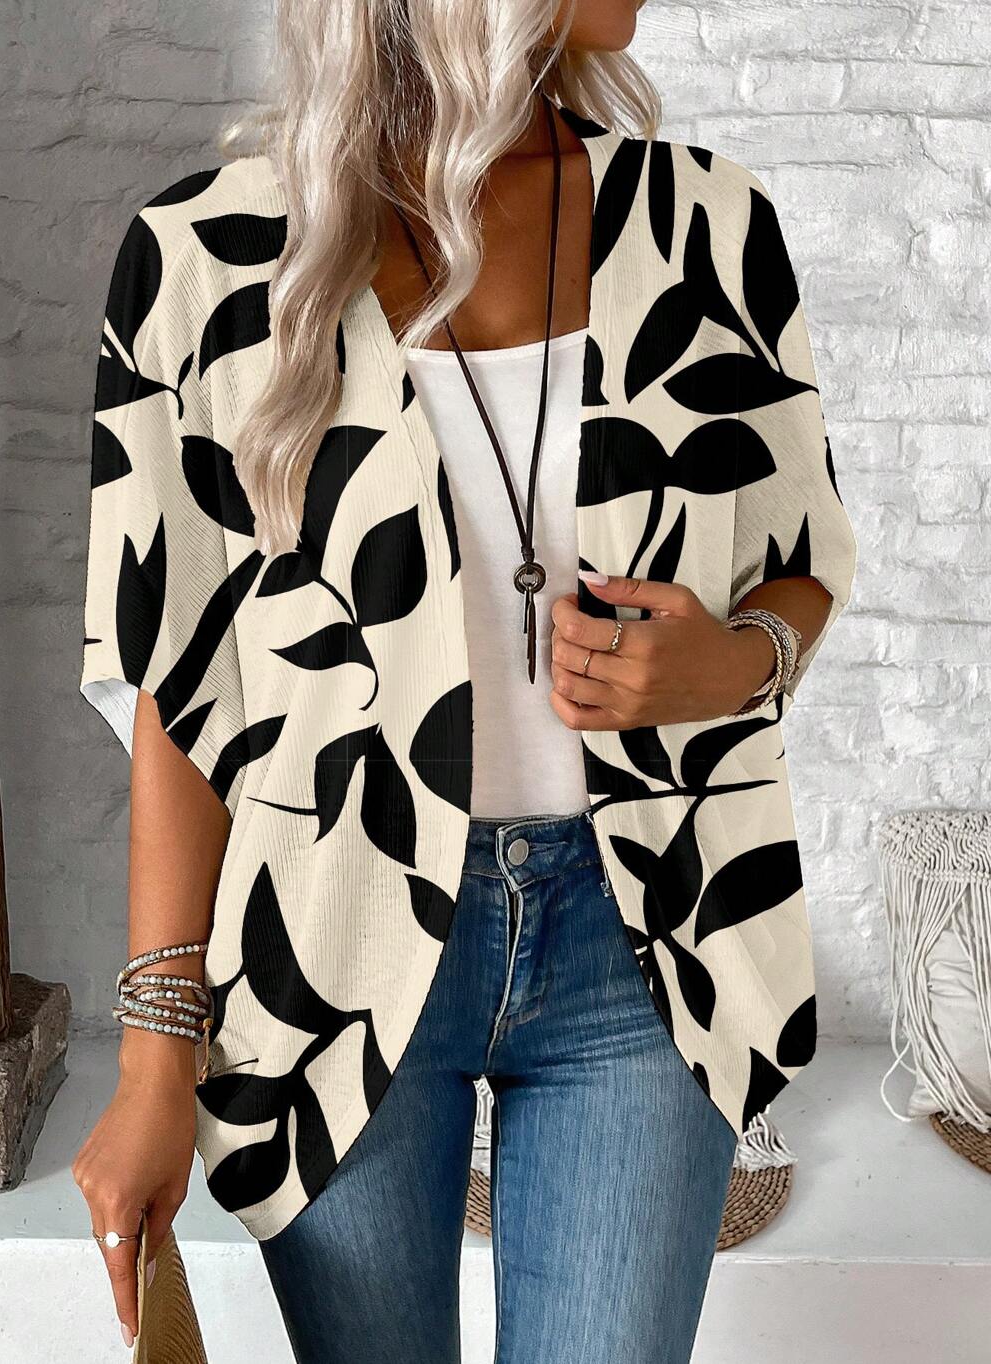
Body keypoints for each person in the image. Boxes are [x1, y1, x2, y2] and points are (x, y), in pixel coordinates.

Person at [72, 1, 857, 1360]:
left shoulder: (710, 225)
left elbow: (803, 559)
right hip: (332, 939)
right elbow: (181, 685)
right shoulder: (205, 255)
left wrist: (731, 662)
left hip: (645, 941)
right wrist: (154, 1054)